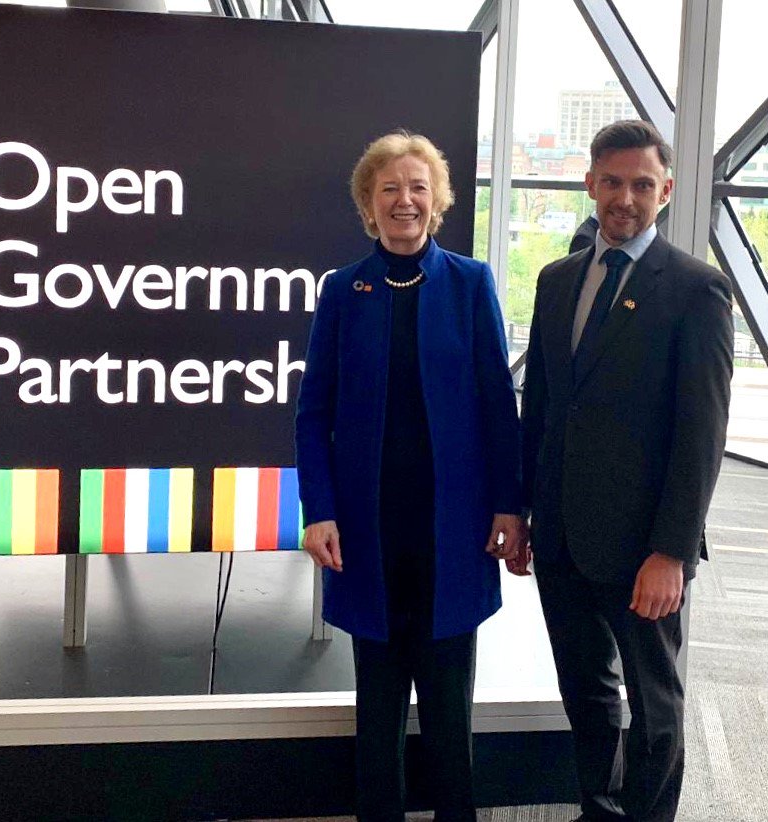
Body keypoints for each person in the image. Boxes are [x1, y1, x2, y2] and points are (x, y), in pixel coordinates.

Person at [296, 131, 525, 822]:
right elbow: (314, 414)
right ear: (368, 203)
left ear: (438, 199)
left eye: (417, 187)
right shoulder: (343, 291)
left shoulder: (470, 283)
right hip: (368, 535)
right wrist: (319, 509)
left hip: (452, 534)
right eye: (389, 188)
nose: (404, 201)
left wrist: (508, 508)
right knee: (378, 713)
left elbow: (496, 404)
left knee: (451, 714)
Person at [518, 120, 734, 822]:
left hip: (644, 548)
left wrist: (670, 552)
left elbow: (699, 436)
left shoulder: (695, 291)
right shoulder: (555, 282)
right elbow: (543, 411)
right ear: (589, 183)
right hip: (559, 541)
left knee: (654, 705)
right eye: (611, 182)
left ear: (664, 190)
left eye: (642, 184)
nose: (625, 198)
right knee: (584, 693)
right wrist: (524, 513)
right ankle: (597, 809)